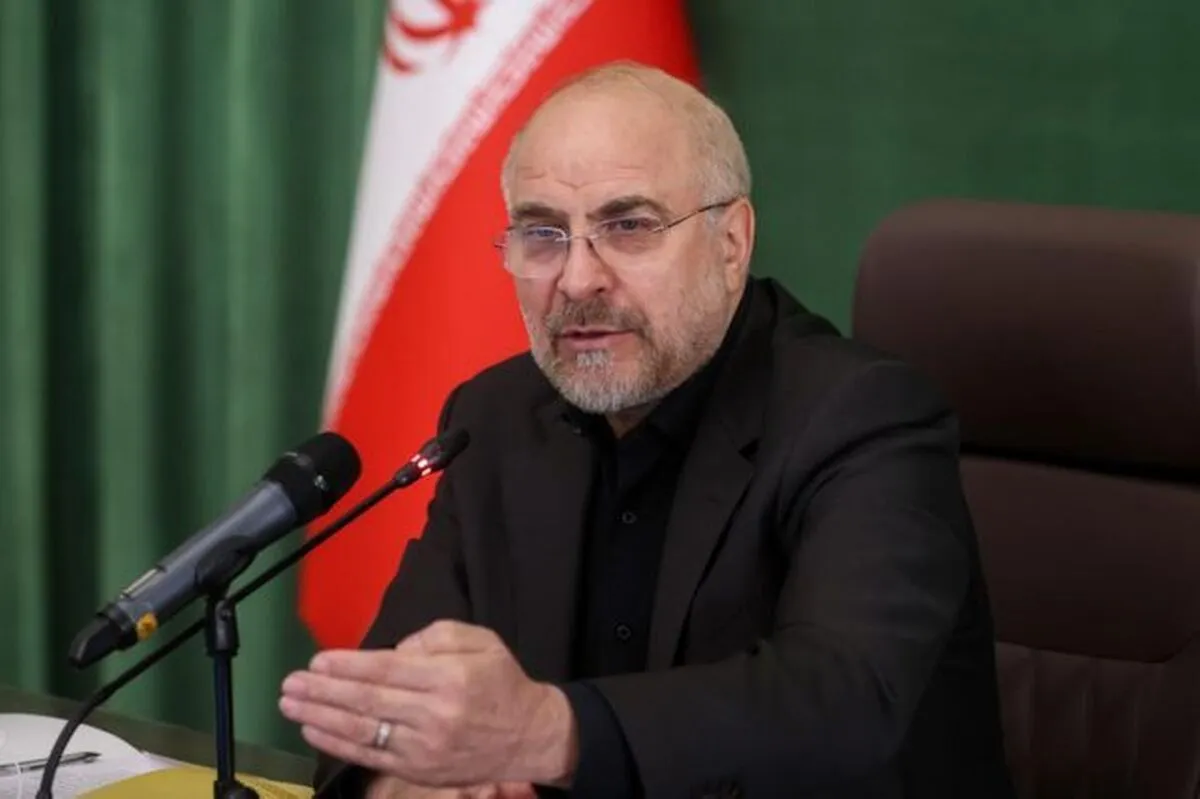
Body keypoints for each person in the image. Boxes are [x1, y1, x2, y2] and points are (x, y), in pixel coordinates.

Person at [278, 61, 1014, 799]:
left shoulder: (862, 415)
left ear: (732, 244)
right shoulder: (495, 417)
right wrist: (402, 784)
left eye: (628, 227)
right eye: (543, 234)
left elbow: (844, 699)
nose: (577, 280)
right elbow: (384, 705)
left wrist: (553, 731)